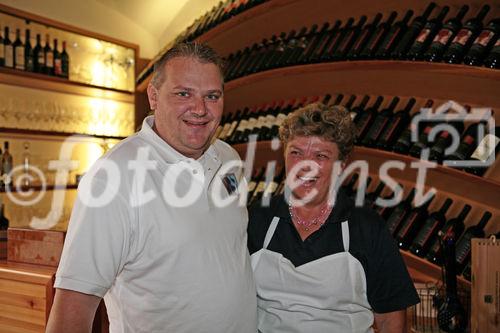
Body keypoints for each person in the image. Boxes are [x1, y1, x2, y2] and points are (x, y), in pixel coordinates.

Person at [47, 42, 257, 333]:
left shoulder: (228, 158)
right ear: (154, 96)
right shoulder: (113, 178)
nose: (200, 109)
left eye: (212, 96)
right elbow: (73, 307)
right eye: (184, 93)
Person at [248, 103, 419, 333]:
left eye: (320, 155)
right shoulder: (258, 219)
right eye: (296, 152)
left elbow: (390, 320)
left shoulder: (366, 228)